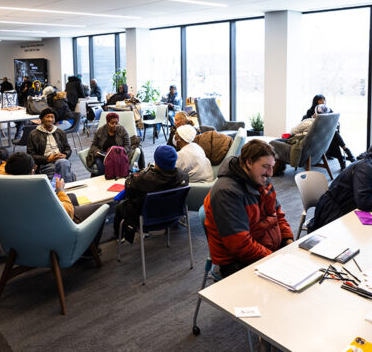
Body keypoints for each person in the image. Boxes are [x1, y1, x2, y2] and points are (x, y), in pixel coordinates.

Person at [203, 140, 294, 277]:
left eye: (272, 167)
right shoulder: (226, 192)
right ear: (249, 163)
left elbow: (277, 215)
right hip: (238, 263)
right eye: (265, 166)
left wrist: (288, 241)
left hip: (267, 252)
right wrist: (274, 259)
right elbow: (240, 246)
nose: (270, 173)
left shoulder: (261, 179)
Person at [3, 152, 106, 256]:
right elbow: (68, 210)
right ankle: (88, 253)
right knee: (101, 208)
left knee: (72, 197)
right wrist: (60, 190)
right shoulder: (34, 188)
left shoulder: (5, 186)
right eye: (33, 167)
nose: (34, 168)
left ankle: (78, 239)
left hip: (22, 232)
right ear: (30, 171)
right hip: (46, 233)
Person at [114, 145, 189, 242]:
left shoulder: (142, 179)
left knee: (120, 207)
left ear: (156, 161)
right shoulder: (183, 177)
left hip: (146, 220)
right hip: (173, 217)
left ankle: (120, 237)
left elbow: (129, 192)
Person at [302, 95, 355, 166]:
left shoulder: (327, 109)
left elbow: (334, 120)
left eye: (324, 100)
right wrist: (313, 118)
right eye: (320, 100)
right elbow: (307, 124)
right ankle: (346, 152)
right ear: (316, 101)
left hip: (326, 134)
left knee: (333, 136)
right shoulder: (310, 111)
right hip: (316, 135)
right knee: (333, 134)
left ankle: (343, 160)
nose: (323, 101)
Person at [26, 108, 75, 182]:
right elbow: (30, 155)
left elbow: (68, 149)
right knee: (61, 172)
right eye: (47, 117)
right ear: (42, 119)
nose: (50, 119)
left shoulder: (60, 132)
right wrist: (47, 159)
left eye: (52, 117)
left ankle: (58, 187)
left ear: (54, 120)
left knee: (62, 163)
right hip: (45, 163)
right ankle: (63, 187)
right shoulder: (34, 134)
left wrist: (65, 155)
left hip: (60, 160)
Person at [86, 112, 131, 177]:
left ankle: (111, 179)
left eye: (116, 123)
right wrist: (97, 151)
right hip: (103, 155)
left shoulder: (122, 130)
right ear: (108, 123)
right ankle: (103, 180)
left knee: (115, 163)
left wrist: (121, 151)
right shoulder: (100, 131)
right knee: (99, 163)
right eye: (112, 123)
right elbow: (93, 145)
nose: (115, 125)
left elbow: (128, 145)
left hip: (118, 155)